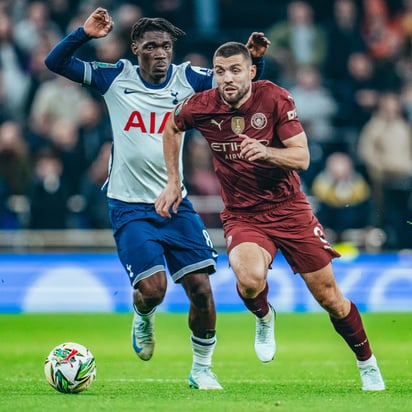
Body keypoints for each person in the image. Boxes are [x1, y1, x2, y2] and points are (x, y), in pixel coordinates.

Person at [44, 7, 270, 390]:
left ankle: (201, 369)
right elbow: (56, 62)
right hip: (129, 205)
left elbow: (240, 91)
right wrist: (84, 33)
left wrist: (255, 63)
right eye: (151, 46)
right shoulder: (115, 76)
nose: (161, 53)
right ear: (136, 49)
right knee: (154, 290)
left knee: (201, 288)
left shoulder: (188, 79)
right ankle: (143, 314)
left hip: (176, 203)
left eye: (166, 46)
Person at [155, 41, 385, 391]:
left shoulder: (275, 98)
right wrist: (174, 182)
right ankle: (264, 315)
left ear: (251, 71)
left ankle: (367, 363)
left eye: (235, 70)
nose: (227, 78)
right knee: (248, 279)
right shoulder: (202, 106)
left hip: (290, 209)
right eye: (220, 71)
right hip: (243, 215)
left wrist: (266, 152)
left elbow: (302, 158)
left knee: (330, 299)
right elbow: (172, 126)